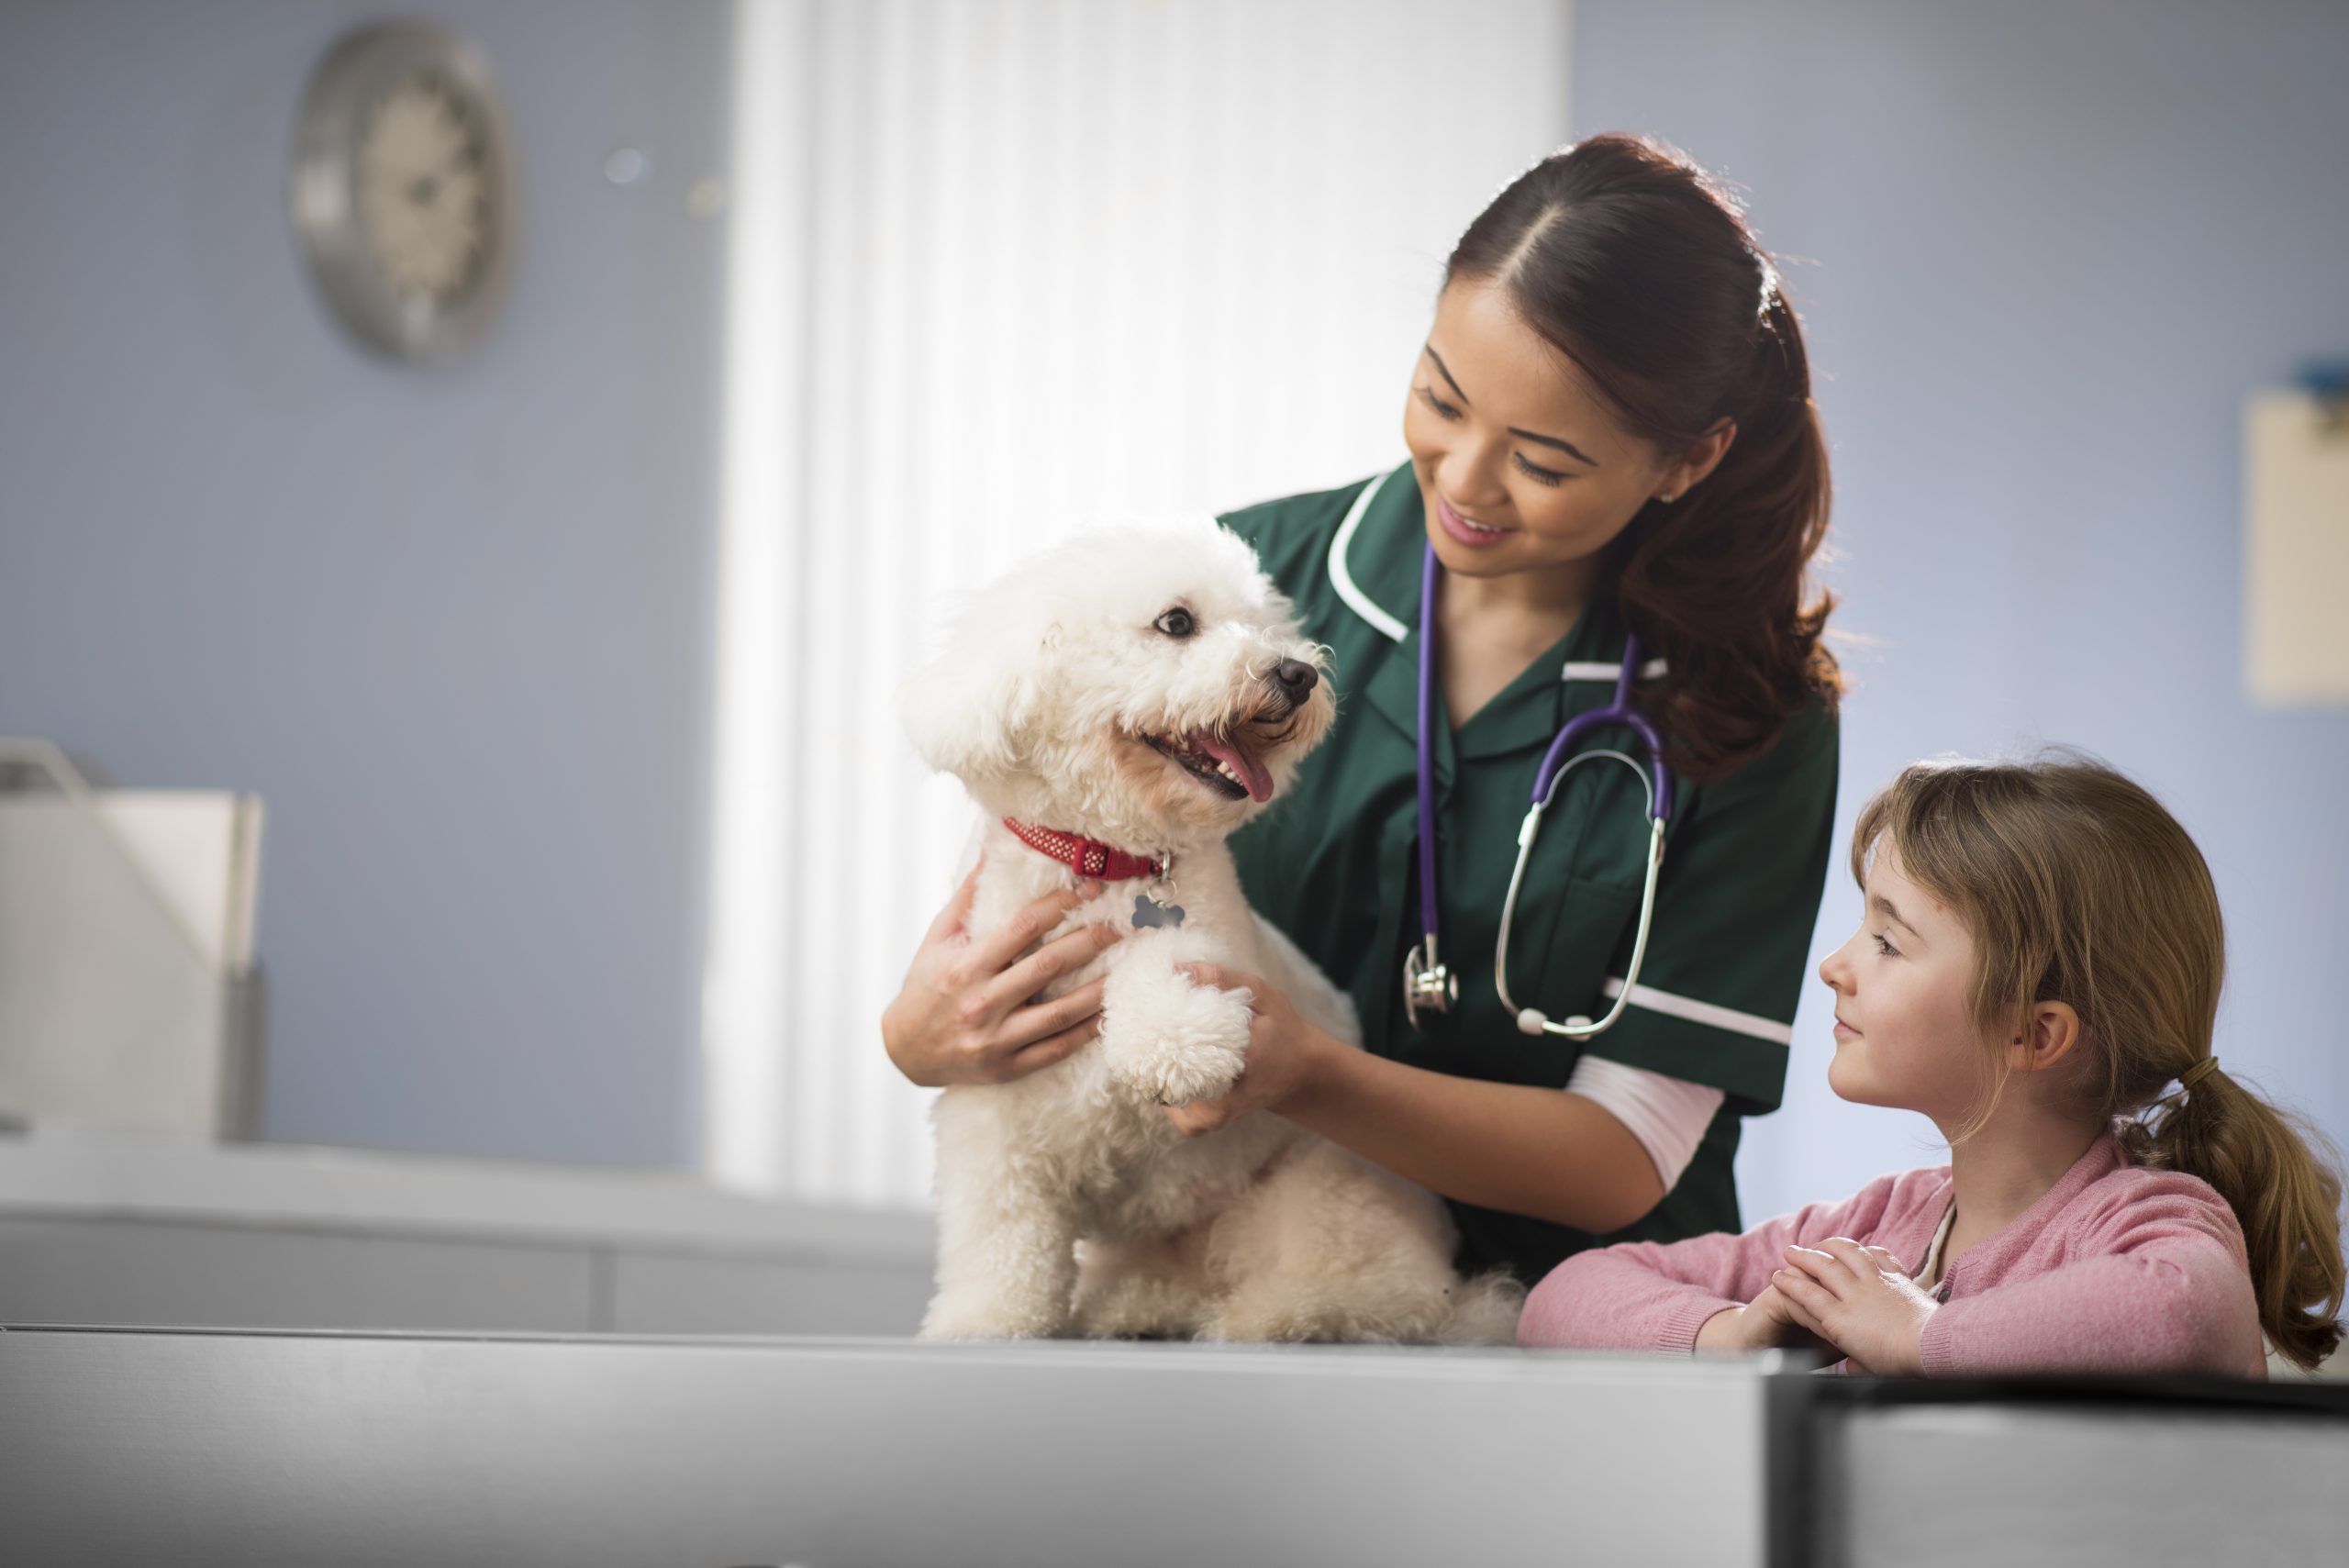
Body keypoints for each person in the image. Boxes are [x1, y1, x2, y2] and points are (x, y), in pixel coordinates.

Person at [883, 134, 1842, 1286]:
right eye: (1441, 396)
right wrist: (920, 1036)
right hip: (1223, 1286)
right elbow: (1039, 881)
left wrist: (1308, 1074)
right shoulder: (1237, 592)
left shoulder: (1741, 709)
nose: (1466, 478)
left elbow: (1627, 1151)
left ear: (1688, 460)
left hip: (1587, 1320)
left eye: (1541, 461)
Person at [1518, 754, 2348, 1376]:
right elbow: (1565, 1296)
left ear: (2033, 1034)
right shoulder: (1874, 1231)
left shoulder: (2144, 1218)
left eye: (1887, 940)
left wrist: (1917, 1335)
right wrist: (1730, 1334)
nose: (1833, 965)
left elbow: (2187, 1311)